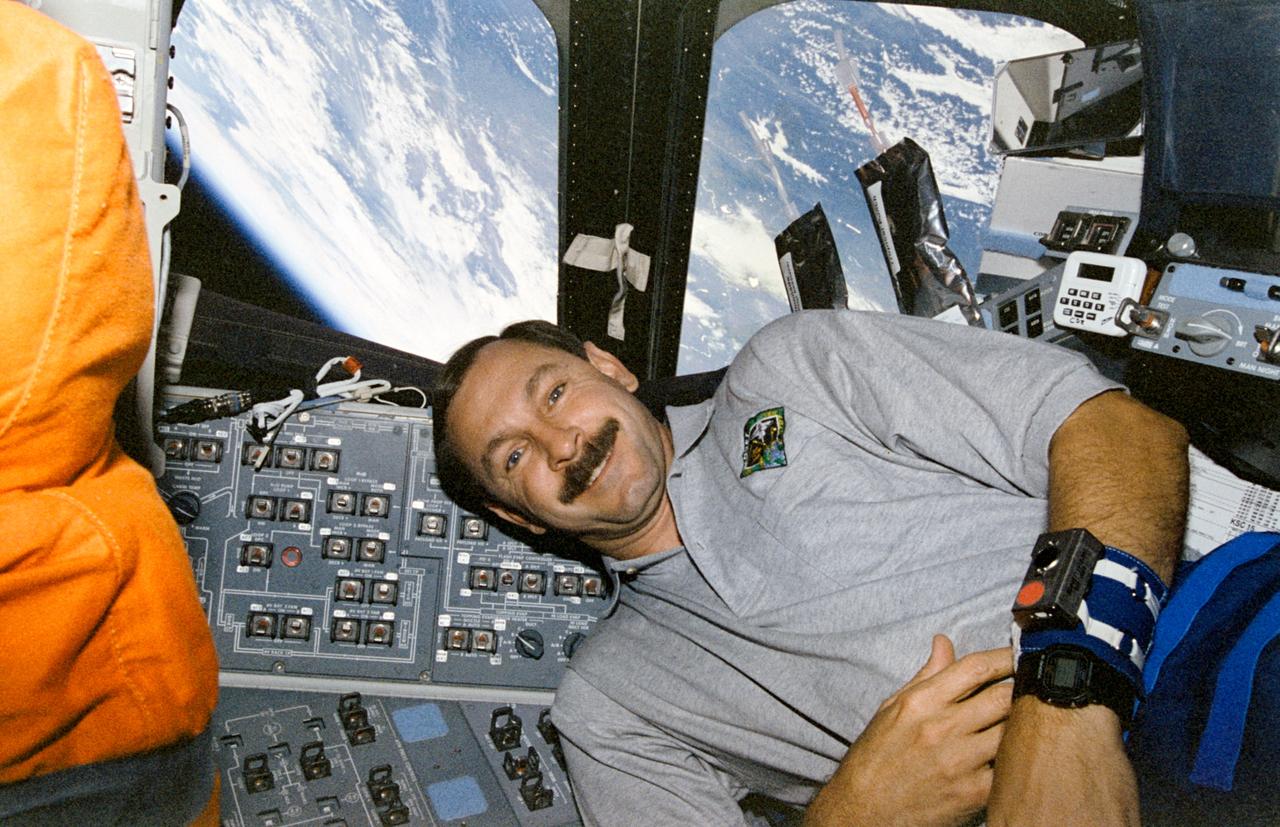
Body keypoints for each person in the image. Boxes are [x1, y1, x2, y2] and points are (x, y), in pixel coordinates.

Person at [431, 309, 1188, 825]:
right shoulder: (610, 704)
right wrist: (855, 811)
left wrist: (1068, 701)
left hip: (1187, 647)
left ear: (611, 367)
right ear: (519, 517)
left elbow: (1120, 432)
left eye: (555, 392)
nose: (562, 443)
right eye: (516, 456)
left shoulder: (786, 372)